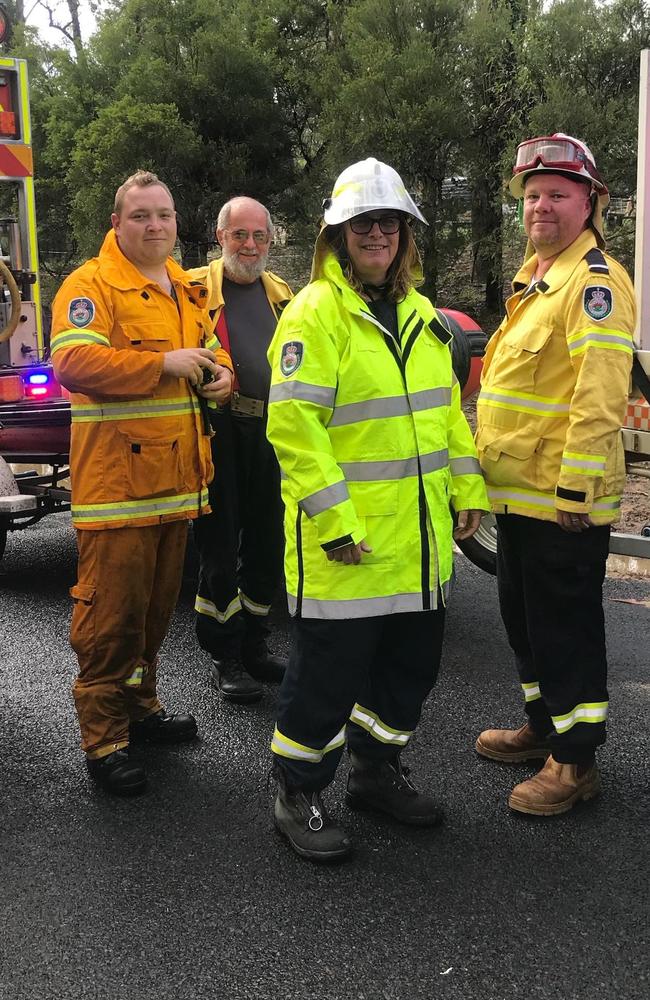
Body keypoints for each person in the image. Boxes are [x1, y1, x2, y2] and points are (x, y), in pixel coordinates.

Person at [265, 158, 490, 861]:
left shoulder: (423, 316)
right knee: (324, 683)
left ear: (405, 236)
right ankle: (297, 792)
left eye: (388, 223)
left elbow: (446, 416)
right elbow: (295, 433)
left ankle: (375, 772)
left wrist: (468, 489)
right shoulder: (315, 314)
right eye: (363, 223)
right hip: (349, 550)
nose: (378, 234)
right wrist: (335, 525)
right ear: (337, 234)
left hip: (418, 547)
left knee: (409, 673)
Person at [50, 170, 234, 795]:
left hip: (176, 487)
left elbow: (214, 352)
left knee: (154, 617)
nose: (156, 226)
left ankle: (140, 707)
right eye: (141, 216)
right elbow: (72, 362)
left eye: (164, 215)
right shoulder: (90, 284)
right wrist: (162, 363)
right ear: (117, 224)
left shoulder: (184, 287)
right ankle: (104, 742)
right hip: (117, 492)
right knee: (110, 622)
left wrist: (222, 376)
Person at [475, 134, 636, 815]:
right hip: (519, 497)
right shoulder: (538, 278)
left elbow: (600, 397)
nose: (541, 205)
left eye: (557, 194)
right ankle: (544, 730)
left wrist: (575, 487)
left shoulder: (592, 282)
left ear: (591, 201)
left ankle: (574, 764)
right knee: (525, 621)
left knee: (565, 630)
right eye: (532, 195)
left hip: (561, 501)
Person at [188, 198, 293, 703]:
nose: (250, 246)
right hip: (220, 431)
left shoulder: (283, 295)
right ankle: (224, 655)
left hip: (272, 432)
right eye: (239, 235)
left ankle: (255, 644)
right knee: (219, 546)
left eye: (260, 236)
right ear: (219, 235)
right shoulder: (193, 290)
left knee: (270, 543)